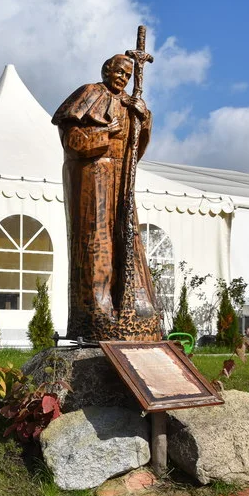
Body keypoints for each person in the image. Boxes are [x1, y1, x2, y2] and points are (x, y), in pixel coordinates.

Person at [52, 53, 159, 342]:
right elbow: (72, 140)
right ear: (106, 71)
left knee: (125, 236)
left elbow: (135, 150)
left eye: (128, 74)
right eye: (119, 72)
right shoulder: (90, 93)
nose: (123, 78)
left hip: (120, 178)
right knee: (96, 239)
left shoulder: (128, 103)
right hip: (93, 176)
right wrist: (104, 133)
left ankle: (134, 308)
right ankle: (97, 311)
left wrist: (143, 119)